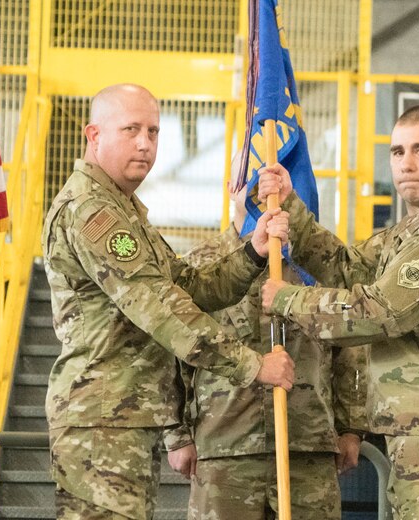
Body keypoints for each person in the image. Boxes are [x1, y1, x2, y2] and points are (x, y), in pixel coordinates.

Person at [41, 83, 295, 520]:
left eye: (154, 132)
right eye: (131, 129)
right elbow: (159, 307)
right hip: (101, 420)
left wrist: (252, 251)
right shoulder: (91, 211)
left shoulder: (122, 207)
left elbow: (189, 287)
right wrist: (252, 365)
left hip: (123, 417)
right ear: (93, 135)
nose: (145, 143)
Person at [259, 104, 419, 519]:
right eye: (397, 152)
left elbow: (380, 313)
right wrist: (292, 208)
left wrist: (287, 299)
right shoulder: (409, 232)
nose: (406, 163)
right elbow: (346, 268)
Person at [163, 156, 370, 520]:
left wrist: (351, 427)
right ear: (232, 187)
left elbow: (349, 349)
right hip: (225, 447)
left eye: (272, 179)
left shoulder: (316, 262)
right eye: (253, 179)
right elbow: (173, 352)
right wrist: (176, 435)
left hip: (306, 446)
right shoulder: (199, 268)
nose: (264, 190)